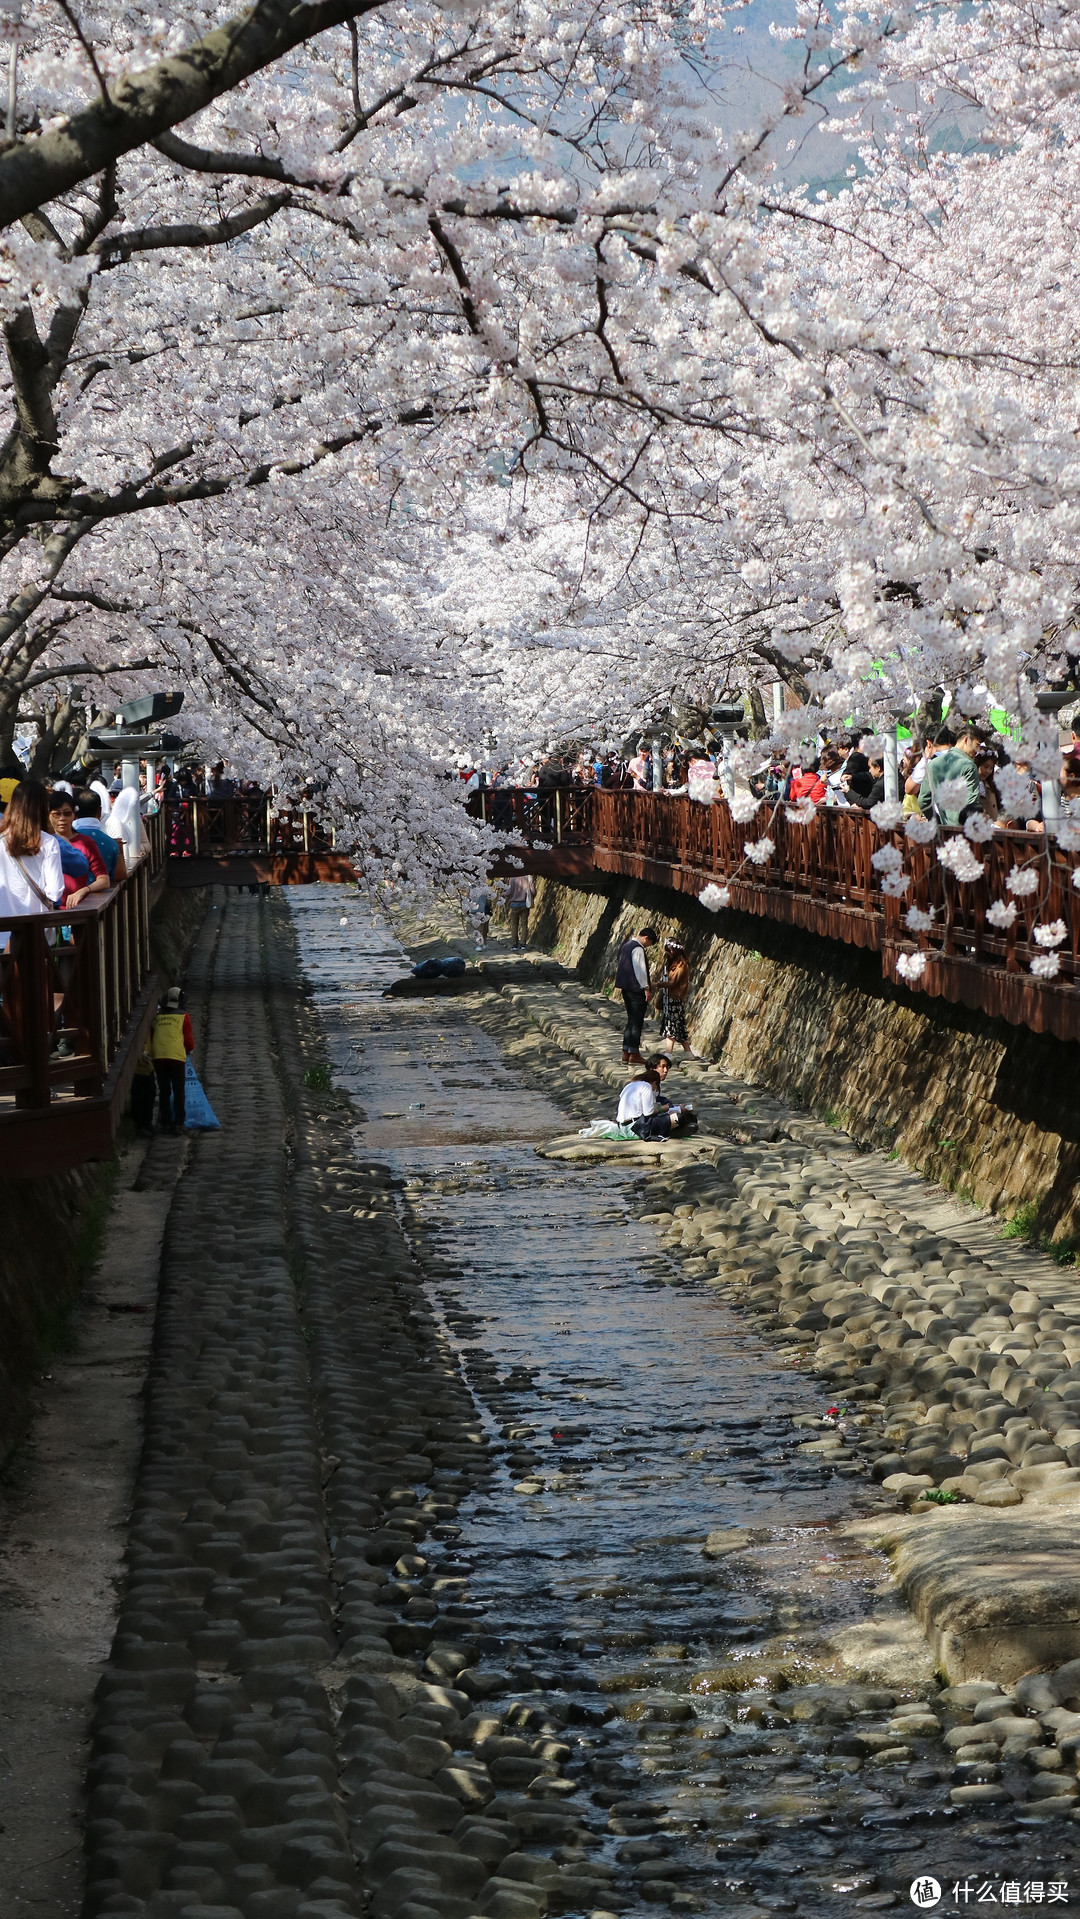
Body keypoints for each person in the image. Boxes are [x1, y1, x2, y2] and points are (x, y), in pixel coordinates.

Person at [0, 779, 63, 921]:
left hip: (2, 930)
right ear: (43, 807)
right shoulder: (49, 842)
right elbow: (54, 892)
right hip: (37, 928)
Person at [47, 790, 111, 905]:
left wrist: (84, 891)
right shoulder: (43, 842)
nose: (62, 818)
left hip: (77, 910)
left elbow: (104, 879)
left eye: (67, 813)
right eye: (56, 814)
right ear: (48, 816)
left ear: (74, 816)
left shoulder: (85, 842)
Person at [151, 985, 194, 1134]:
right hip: (176, 1057)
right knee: (178, 1090)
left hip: (158, 1056)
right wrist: (188, 1050)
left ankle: (165, 1122)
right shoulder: (184, 1016)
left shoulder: (157, 1015)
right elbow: (188, 1041)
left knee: (164, 1090)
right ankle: (179, 1123)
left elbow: (152, 1035)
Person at [918, 726, 983, 826]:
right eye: (977, 745)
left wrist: (937, 821)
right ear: (966, 740)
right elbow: (972, 805)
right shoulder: (969, 766)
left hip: (944, 829)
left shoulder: (933, 764)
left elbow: (923, 801)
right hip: (963, 830)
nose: (978, 750)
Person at [614, 923, 657, 1065]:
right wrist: (646, 988)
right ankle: (634, 1052)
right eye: (649, 943)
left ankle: (626, 1051)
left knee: (631, 1020)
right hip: (635, 990)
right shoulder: (638, 949)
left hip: (626, 988)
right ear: (646, 938)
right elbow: (640, 971)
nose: (647, 946)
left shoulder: (626, 945)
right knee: (636, 1021)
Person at [656, 938, 704, 1059]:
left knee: (670, 1025)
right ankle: (688, 1052)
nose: (668, 953)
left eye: (669, 951)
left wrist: (656, 984)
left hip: (675, 999)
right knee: (680, 1026)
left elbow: (672, 983)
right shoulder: (673, 965)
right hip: (671, 998)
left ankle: (669, 1053)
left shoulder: (681, 966)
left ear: (674, 951)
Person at [616, 1067, 693, 1140]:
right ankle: (673, 1131)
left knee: (668, 1118)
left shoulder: (630, 1085)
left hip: (623, 1127)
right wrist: (662, 1110)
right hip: (636, 1128)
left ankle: (671, 1129)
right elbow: (648, 1113)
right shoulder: (647, 1086)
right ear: (655, 1083)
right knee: (679, 1117)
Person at [73, 789, 127, 882]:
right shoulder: (111, 844)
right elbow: (120, 875)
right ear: (100, 811)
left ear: (74, 812)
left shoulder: (63, 842)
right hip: (103, 894)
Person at [504, 871, 535, 947]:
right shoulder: (528, 877)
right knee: (524, 924)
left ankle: (515, 944)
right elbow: (533, 891)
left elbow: (509, 892)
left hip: (514, 905)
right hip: (525, 904)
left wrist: (503, 894)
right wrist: (531, 896)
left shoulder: (512, 877)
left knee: (514, 925)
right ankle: (523, 944)